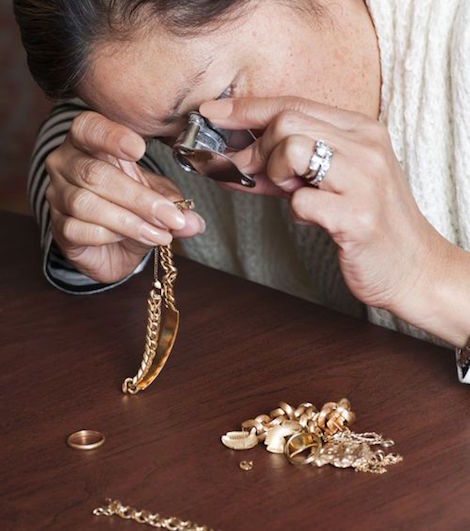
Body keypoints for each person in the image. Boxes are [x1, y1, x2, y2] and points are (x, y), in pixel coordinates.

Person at [13, 0, 470, 383]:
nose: (214, 162)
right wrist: (86, 199)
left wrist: (425, 272)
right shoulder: (163, 105)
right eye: (164, 140)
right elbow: (75, 130)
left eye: (220, 99)